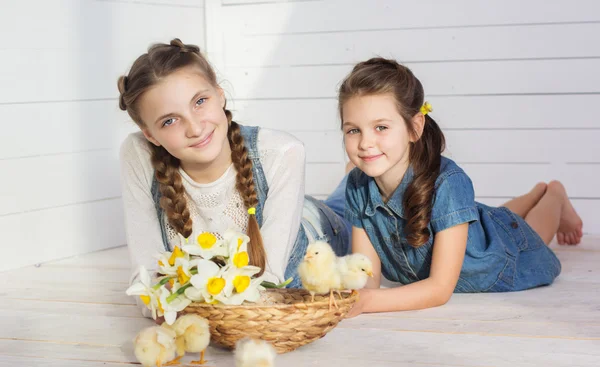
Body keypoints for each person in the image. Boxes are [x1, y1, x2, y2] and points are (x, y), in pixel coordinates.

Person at [117, 39, 351, 316]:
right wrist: (161, 300)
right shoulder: (139, 153)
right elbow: (146, 281)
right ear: (150, 135)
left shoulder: (281, 151)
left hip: (314, 227)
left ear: (220, 95)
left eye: (200, 102)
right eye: (170, 120)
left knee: (346, 205)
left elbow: (269, 283)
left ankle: (351, 179)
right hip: (282, 210)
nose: (194, 128)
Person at [339, 57, 583, 317]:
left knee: (529, 233)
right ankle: (535, 193)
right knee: (490, 219)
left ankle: (554, 194)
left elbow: (439, 289)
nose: (365, 142)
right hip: (482, 227)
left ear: (414, 128)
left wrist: (365, 303)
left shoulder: (448, 182)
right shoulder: (357, 185)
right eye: (353, 130)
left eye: (381, 127)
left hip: (503, 255)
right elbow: (368, 279)